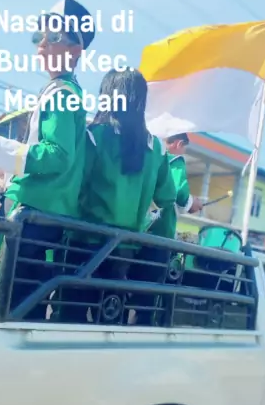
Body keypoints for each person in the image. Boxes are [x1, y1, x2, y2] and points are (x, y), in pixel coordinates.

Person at [0, 0, 94, 319]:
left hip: (35, 213)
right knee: (21, 304)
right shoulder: (63, 91)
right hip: (43, 212)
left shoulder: (62, 94)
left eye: (54, 37)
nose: (43, 44)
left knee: (5, 304)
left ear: (76, 50)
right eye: (40, 36)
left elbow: (58, 156)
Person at [58, 68, 177, 323]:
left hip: (83, 245)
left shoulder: (93, 136)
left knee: (70, 319)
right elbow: (167, 198)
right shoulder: (156, 147)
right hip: (127, 251)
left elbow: (72, 185)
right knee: (112, 322)